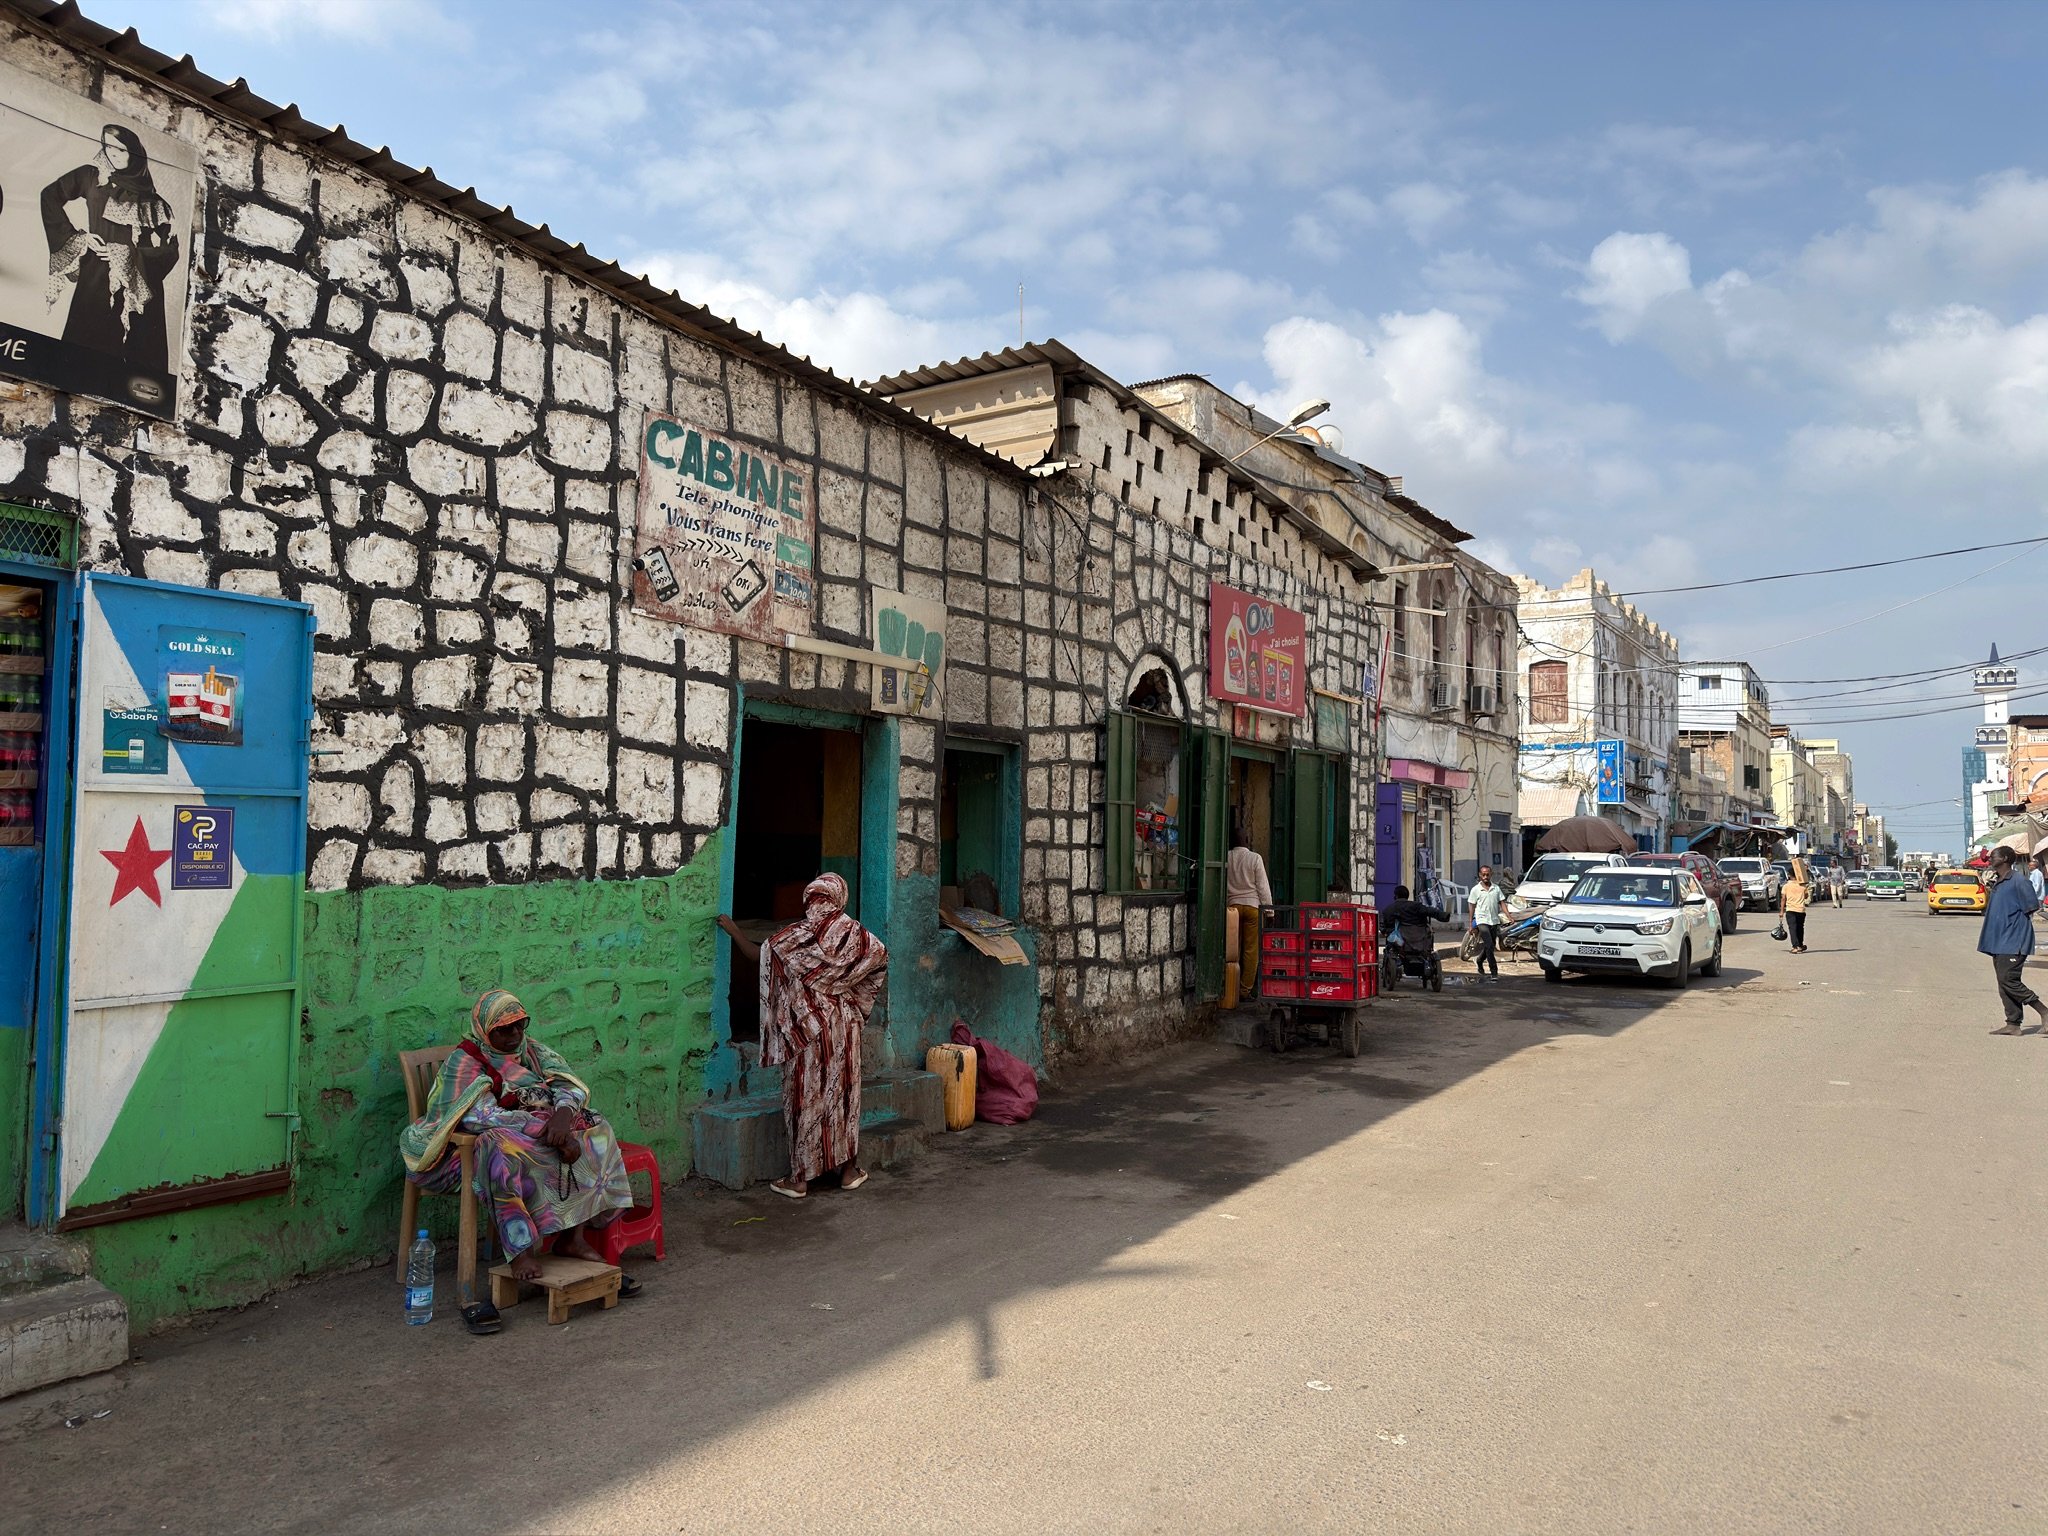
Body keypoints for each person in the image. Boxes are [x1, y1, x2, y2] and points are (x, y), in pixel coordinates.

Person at [400, 990, 638, 1332]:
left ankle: (572, 1235)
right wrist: (549, 1129)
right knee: (497, 1147)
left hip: (533, 1133)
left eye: (520, 1025)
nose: (514, 1035)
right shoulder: (465, 1062)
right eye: (504, 1030)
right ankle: (520, 1249)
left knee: (597, 1129)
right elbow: (480, 1117)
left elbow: (566, 1081)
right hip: (457, 1155)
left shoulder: (529, 1050)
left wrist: (564, 1116)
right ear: (485, 1031)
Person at [719, 873, 888, 1199]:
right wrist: (847, 994)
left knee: (804, 1100)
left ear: (810, 899)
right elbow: (880, 956)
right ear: (840, 898)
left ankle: (799, 1179)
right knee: (844, 1098)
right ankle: (849, 1171)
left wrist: (734, 931)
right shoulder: (856, 935)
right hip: (843, 1028)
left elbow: (759, 957)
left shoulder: (794, 937)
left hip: (805, 1032)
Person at [41, 125, 180, 369]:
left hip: (138, 285)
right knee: (82, 357)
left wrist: (127, 254)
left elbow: (170, 250)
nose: (113, 153)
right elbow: (49, 196)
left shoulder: (154, 202)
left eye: (121, 149)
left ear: (134, 153)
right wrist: (78, 238)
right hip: (97, 276)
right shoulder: (91, 177)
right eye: (107, 146)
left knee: (136, 364)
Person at [1979, 846, 2048, 1035]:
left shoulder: (2019, 881)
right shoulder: (1999, 881)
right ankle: (2013, 1023)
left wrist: (2012, 926)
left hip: (2013, 940)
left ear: (2006, 858)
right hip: (1998, 941)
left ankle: (2044, 1011)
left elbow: (2031, 906)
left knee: (2009, 980)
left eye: (1995, 856)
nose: (1991, 859)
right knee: (2003, 983)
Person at [1384, 883, 1450, 962]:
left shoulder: (1389, 909)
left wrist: (1384, 930)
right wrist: (1443, 915)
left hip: (1401, 944)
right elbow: (1430, 911)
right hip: (1420, 939)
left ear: (1396, 896)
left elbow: (1385, 926)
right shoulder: (1416, 906)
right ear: (1407, 896)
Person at [1468, 864, 1505, 978]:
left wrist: (1509, 915)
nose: (1485, 877)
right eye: (1483, 874)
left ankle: (1479, 960)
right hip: (1481, 920)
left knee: (1491, 945)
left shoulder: (1496, 888)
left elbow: (1502, 903)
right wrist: (1470, 924)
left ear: (1491, 875)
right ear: (1480, 875)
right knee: (1488, 944)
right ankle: (1494, 971)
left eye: (1487, 874)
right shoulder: (1476, 890)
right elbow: (1471, 906)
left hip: (1493, 920)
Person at [1780, 856, 1811, 953]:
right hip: (1801, 910)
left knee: (1792, 928)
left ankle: (1795, 947)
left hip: (1790, 910)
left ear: (1789, 875)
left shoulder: (1786, 886)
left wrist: (1781, 911)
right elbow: (1806, 896)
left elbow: (1783, 899)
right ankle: (1800, 945)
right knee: (1800, 928)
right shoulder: (1802, 885)